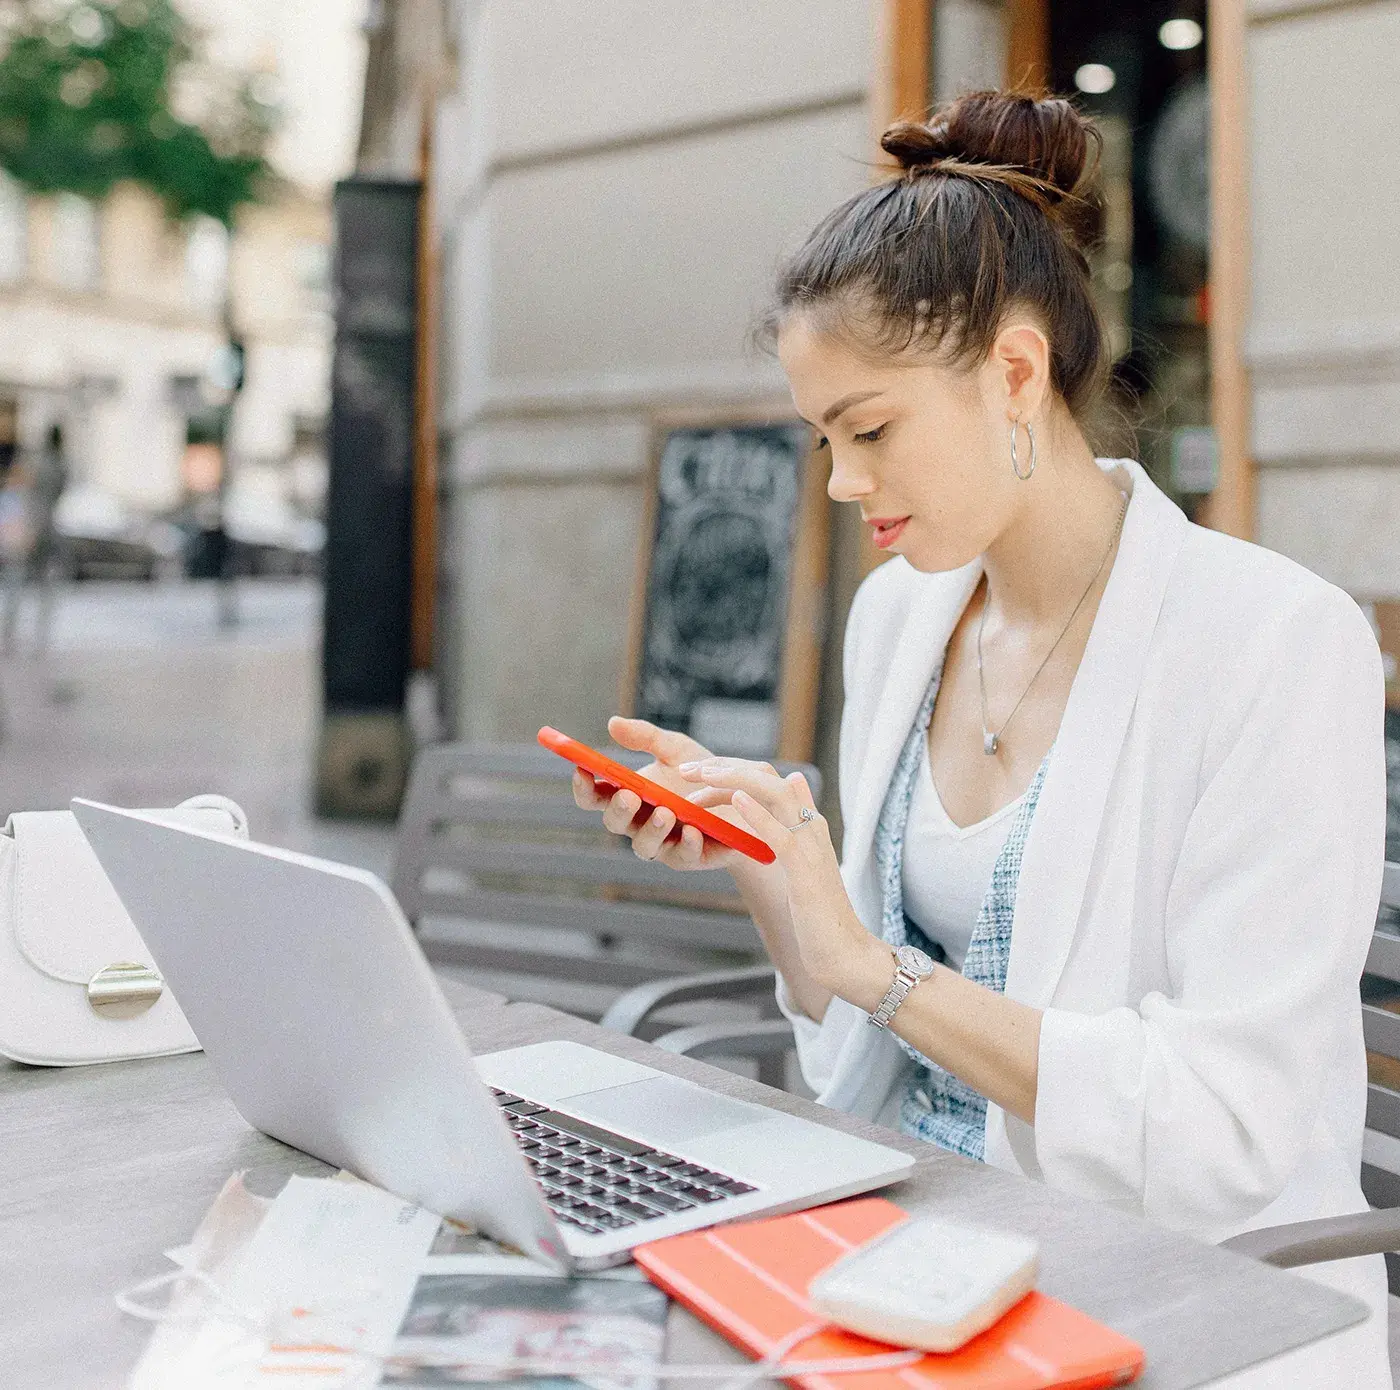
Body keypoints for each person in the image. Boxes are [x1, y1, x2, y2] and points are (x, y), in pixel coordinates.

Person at [573, 91, 1389, 1382]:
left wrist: (869, 962)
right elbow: (855, 1045)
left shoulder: (1276, 641)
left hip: (1167, 1291)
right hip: (917, 1252)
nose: (844, 485)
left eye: (872, 429)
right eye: (824, 438)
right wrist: (771, 865)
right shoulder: (905, 616)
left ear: (1015, 370)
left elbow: (1228, 1129)